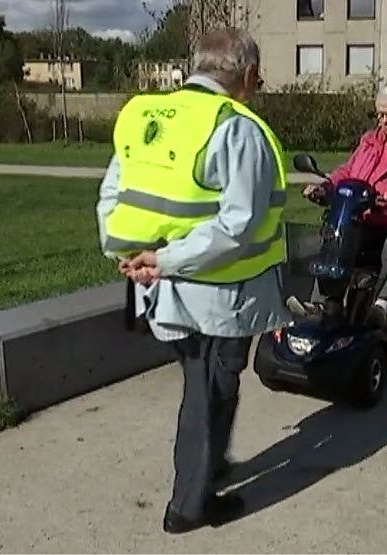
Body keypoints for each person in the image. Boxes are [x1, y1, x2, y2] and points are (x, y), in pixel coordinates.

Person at [96, 28, 290, 534]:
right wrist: (165, 262)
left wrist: (128, 256)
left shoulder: (145, 117)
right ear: (247, 75)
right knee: (211, 389)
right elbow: (239, 223)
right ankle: (190, 505)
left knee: (205, 382)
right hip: (221, 294)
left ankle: (211, 465)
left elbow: (114, 194)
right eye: (257, 76)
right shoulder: (235, 127)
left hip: (163, 289)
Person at [285, 83, 387, 328]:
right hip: (368, 218)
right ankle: (325, 302)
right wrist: (326, 188)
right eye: (379, 115)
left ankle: (382, 305)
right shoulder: (370, 141)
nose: (382, 121)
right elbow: (347, 171)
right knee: (339, 233)